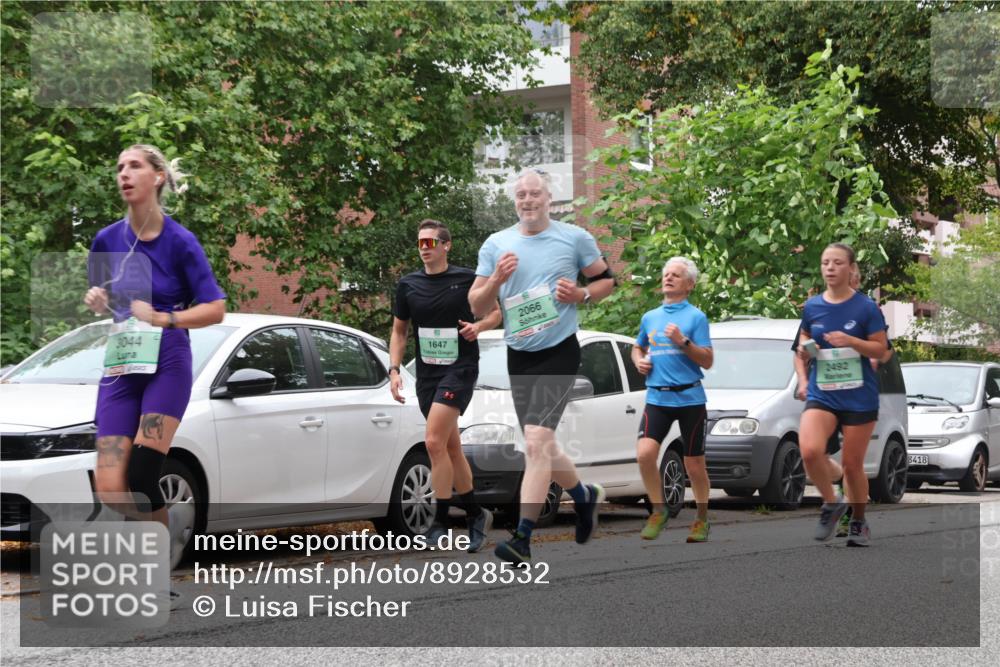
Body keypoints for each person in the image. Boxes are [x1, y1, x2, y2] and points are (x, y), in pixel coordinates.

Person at [84, 145, 226, 596]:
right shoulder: (106, 240)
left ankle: (155, 571)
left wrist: (165, 317)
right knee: (109, 484)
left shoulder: (181, 242)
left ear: (158, 177)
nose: (124, 174)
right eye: (119, 166)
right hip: (122, 366)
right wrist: (99, 302)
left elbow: (217, 309)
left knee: (144, 474)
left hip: (167, 362)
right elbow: (108, 296)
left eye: (134, 166)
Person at [469, 169, 616, 565]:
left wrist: (582, 293)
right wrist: (496, 278)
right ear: (515, 201)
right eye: (521, 195)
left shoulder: (574, 238)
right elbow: (476, 305)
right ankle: (584, 496)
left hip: (559, 350)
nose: (528, 200)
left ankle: (522, 537)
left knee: (534, 442)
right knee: (543, 444)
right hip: (519, 353)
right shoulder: (496, 244)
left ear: (550, 198)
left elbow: (607, 281)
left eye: (535, 193)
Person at [388, 219, 502, 553]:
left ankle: (438, 521)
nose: (425, 248)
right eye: (420, 243)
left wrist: (478, 328)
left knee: (434, 442)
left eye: (431, 243)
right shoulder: (408, 285)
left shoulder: (467, 279)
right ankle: (476, 514)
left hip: (461, 368)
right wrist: (394, 369)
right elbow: (399, 331)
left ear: (446, 245)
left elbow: (495, 313)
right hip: (428, 375)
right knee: (450, 448)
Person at [796, 243, 888, 546]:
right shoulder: (812, 307)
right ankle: (831, 503)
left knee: (851, 464)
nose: (830, 268)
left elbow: (880, 349)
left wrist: (850, 341)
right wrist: (806, 351)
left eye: (837, 262)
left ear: (851, 268)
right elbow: (805, 339)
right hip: (824, 392)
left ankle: (859, 521)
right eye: (825, 263)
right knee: (809, 450)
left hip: (859, 395)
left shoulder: (865, 307)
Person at [631, 258, 714, 542]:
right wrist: (639, 361)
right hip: (657, 397)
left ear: (689, 284)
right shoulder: (650, 317)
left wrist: (684, 342)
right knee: (644, 454)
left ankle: (702, 519)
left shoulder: (695, 318)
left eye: (676, 275)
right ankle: (659, 510)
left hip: (689, 397)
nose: (668, 278)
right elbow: (637, 346)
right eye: (666, 274)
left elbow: (708, 360)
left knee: (694, 466)